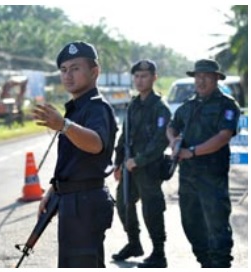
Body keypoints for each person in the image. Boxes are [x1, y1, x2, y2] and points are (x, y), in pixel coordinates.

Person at [33, 41, 118, 268]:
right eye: (63, 70)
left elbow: (96, 144)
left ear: (94, 71)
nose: (68, 75)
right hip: (73, 199)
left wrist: (64, 125)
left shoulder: (97, 107)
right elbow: (73, 160)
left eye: (76, 68)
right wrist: (54, 189)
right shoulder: (77, 108)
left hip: (86, 202)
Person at [166, 59, 240, 267]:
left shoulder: (227, 105)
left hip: (212, 176)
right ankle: (205, 262)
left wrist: (193, 152)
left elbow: (224, 136)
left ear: (216, 78)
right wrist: (174, 142)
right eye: (198, 76)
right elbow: (172, 126)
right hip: (188, 176)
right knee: (190, 223)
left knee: (217, 225)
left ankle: (220, 264)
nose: (201, 80)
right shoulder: (188, 106)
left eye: (206, 76)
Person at [112, 59, 171, 268]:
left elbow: (160, 140)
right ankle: (134, 244)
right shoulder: (133, 105)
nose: (139, 80)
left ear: (154, 78)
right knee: (123, 203)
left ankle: (159, 253)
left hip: (149, 168)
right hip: (129, 166)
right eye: (136, 76)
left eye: (144, 76)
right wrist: (117, 162)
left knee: (151, 209)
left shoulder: (160, 107)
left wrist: (139, 160)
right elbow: (124, 135)